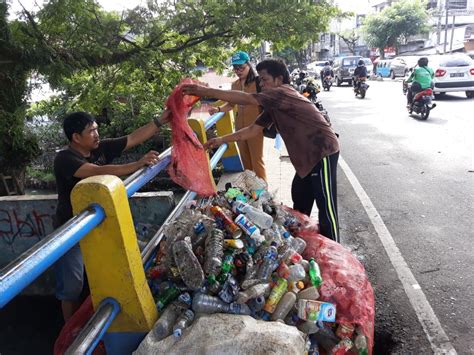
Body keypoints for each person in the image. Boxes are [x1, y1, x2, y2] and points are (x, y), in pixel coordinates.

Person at [182, 59, 340, 242]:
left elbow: (247, 99)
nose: (262, 85)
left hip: (322, 151)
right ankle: (305, 242)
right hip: (305, 158)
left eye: (265, 80)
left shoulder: (282, 93)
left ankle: (338, 254)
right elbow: (251, 130)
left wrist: (205, 91)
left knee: (326, 207)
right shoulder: (274, 104)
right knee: (300, 201)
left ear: (279, 79)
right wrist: (221, 140)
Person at [53, 110, 170, 321]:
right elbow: (96, 171)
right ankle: (68, 333)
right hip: (70, 229)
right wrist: (135, 165)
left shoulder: (101, 147)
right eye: (91, 131)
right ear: (76, 137)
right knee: (72, 285)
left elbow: (135, 137)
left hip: (99, 224)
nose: (97, 134)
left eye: (97, 129)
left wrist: (160, 120)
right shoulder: (64, 159)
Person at [209, 51, 266, 181]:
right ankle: (252, 189)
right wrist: (218, 109)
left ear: (249, 65)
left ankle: (264, 191)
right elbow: (230, 105)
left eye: (241, 67)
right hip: (239, 127)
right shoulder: (235, 84)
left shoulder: (258, 82)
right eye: (235, 68)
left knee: (257, 160)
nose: (238, 70)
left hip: (255, 127)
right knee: (245, 161)